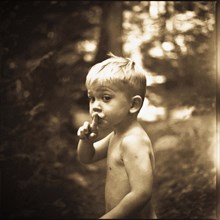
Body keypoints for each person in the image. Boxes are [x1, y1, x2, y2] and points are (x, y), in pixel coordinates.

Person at [77, 53, 157, 219]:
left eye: (106, 98)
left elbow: (141, 193)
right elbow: (87, 157)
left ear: (133, 104)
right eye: (92, 98)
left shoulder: (133, 141)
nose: (95, 106)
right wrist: (86, 141)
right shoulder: (117, 135)